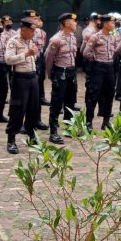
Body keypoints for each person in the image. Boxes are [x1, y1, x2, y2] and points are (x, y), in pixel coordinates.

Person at [4, 18, 41, 154]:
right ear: (24, 30)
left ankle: (32, 135)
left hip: (33, 77)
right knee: (17, 109)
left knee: (33, 108)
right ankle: (11, 139)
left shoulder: (30, 41)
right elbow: (8, 60)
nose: (33, 33)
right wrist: (26, 54)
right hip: (20, 79)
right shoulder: (13, 41)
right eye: (31, 31)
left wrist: (33, 55)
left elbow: (33, 58)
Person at [45, 13, 79, 144]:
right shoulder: (56, 39)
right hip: (60, 72)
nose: (76, 23)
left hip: (71, 72)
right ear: (66, 23)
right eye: (73, 21)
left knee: (70, 101)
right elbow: (48, 58)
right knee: (56, 103)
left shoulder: (72, 37)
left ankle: (68, 128)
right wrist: (51, 74)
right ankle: (53, 132)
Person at [83, 14, 118, 130]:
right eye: (111, 23)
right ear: (105, 23)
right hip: (98, 68)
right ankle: (88, 122)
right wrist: (96, 60)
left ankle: (106, 121)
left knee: (109, 94)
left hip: (110, 68)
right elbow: (86, 53)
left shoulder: (112, 37)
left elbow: (115, 50)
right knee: (93, 95)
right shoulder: (95, 37)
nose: (113, 25)